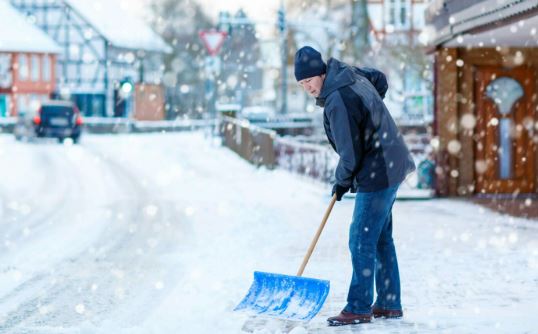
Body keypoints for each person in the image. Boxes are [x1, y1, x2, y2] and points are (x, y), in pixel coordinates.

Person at [294, 46, 416, 326]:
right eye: (302, 84)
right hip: (391, 161)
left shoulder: (337, 99)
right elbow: (380, 79)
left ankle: (359, 306)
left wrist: (341, 182)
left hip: (378, 170)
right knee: (380, 237)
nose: (308, 87)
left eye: (310, 80)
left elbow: (350, 154)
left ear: (321, 72)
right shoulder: (349, 74)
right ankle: (387, 302)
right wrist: (371, 117)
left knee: (360, 238)